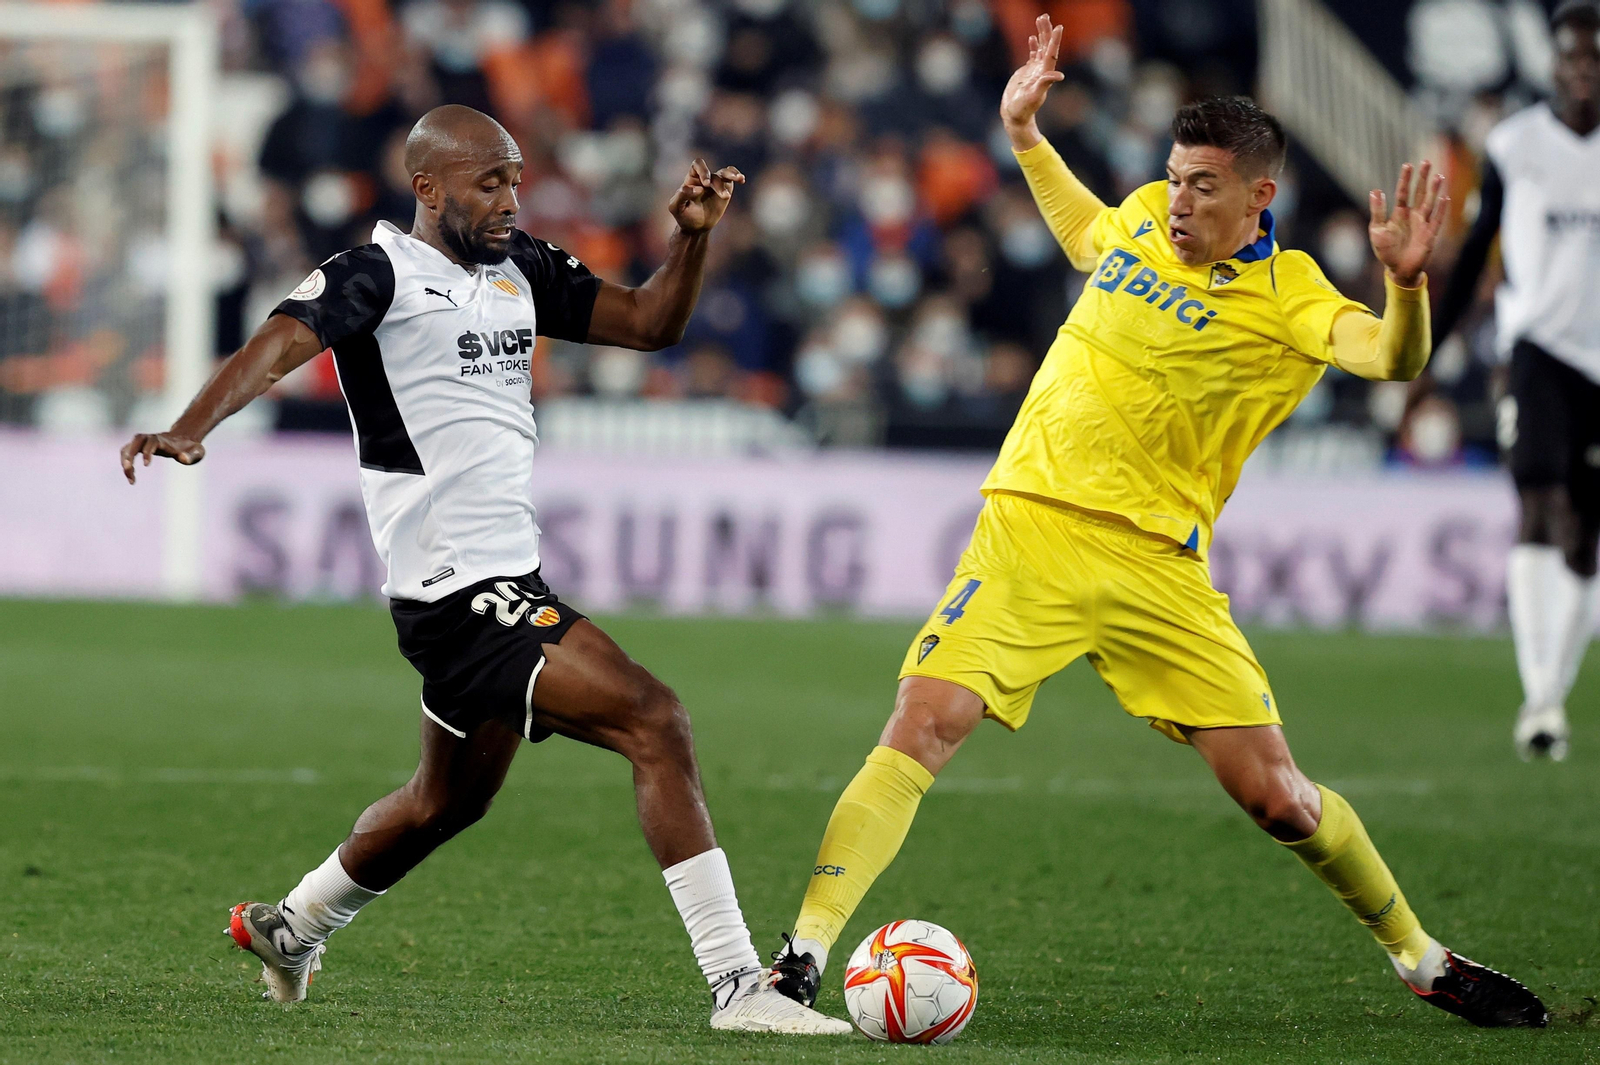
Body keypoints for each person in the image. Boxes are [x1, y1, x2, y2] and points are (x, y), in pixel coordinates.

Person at [768, 15, 1547, 1030]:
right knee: (923, 720)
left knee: (1279, 799)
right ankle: (800, 958)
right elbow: (1086, 229)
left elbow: (1391, 361)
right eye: (1175, 177)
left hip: (1156, 567)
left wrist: (1403, 286)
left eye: (1203, 185)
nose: (1179, 200)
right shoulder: (1137, 217)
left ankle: (1421, 958)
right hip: (1032, 532)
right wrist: (1026, 140)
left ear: (1259, 195)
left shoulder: (1290, 296)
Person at [119, 105, 849, 1036]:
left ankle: (295, 922)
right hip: (457, 588)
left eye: (515, 178)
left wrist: (689, 240)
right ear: (428, 188)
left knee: (444, 801)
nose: (511, 198)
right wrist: (191, 426)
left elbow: (651, 322)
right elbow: (280, 341)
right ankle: (740, 987)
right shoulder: (376, 274)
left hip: (501, 578)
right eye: (489, 182)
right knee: (655, 718)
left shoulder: (522, 269)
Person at [1432, 0, 1600, 762]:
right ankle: (1539, 696)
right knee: (1537, 495)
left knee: (1585, 530)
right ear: (1554, 61)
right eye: (1571, 56)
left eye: (1594, 57)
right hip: (1539, 347)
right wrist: (1427, 343)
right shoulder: (1514, 144)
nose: (1582, 70)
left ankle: (1552, 689)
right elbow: (1474, 256)